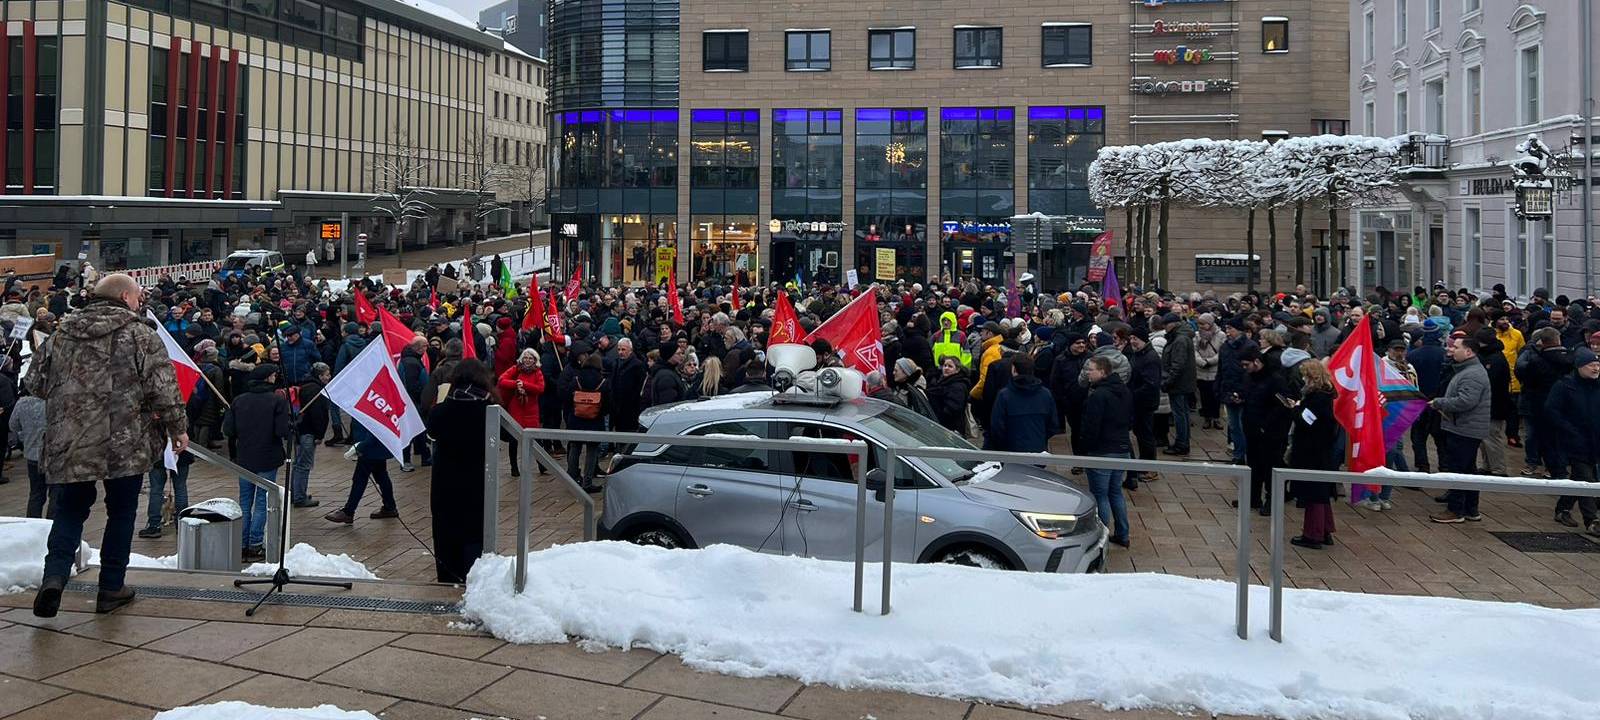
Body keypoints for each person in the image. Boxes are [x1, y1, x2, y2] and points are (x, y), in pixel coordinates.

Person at [30, 273, 189, 617]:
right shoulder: (139, 334)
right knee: (122, 511)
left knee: (68, 511)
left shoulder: (61, 334)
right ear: (124, 297)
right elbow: (163, 387)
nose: (140, 303)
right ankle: (111, 588)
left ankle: (54, 577)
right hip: (124, 442)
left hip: (71, 441)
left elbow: (34, 383)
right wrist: (178, 427)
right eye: (138, 297)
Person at [426, 359, 497, 583]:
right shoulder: (489, 409)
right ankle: (474, 577)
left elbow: (432, 430)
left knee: (445, 530)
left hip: (445, 481)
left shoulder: (442, 409)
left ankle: (447, 578)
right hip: (476, 479)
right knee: (474, 531)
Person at [222, 363, 291, 562]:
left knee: (245, 501)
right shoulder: (277, 401)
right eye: (273, 376)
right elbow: (281, 431)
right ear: (267, 378)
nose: (275, 378)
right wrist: (292, 424)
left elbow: (228, 430)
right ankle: (254, 544)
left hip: (245, 457)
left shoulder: (239, 400)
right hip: (268, 457)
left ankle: (242, 544)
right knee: (262, 502)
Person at [1430, 335, 1492, 524]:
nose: (1450, 350)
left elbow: (1466, 401)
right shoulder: (1467, 370)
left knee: (1458, 470)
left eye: (1455, 347)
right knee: (1468, 470)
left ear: (1468, 352)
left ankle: (1455, 510)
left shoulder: (1472, 373)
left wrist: (1440, 403)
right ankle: (1470, 509)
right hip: (1464, 427)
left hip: (1464, 429)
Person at [1079, 355, 1132, 547]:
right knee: (1115, 492)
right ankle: (1123, 534)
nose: (1088, 373)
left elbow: (1091, 426)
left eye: (1091, 370)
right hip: (1122, 448)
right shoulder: (1124, 390)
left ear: (1102, 372)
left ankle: (1100, 537)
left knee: (1100, 495)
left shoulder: (1098, 395)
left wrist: (1086, 448)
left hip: (1102, 451)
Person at [1547, 348, 1600, 535]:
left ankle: (1563, 508)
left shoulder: (1597, 386)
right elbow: (1552, 410)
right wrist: (1570, 430)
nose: (1596, 368)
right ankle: (1592, 520)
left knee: (1579, 478)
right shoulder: (1565, 386)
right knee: (1586, 480)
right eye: (1591, 365)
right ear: (1579, 367)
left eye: (1597, 364)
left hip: (1594, 442)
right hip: (1574, 442)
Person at [1288, 361, 1340, 549]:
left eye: (1305, 376)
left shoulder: (1317, 398)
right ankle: (1325, 530)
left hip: (1312, 451)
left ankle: (1313, 534)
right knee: (1322, 493)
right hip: (1321, 451)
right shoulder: (1326, 395)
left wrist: (1295, 409)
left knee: (1314, 494)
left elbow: (1307, 421)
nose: (1303, 379)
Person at [1239, 344, 1293, 514]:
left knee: (1271, 466)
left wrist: (1267, 425)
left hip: (1271, 432)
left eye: (1246, 365)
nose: (1245, 368)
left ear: (1256, 361)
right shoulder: (1249, 377)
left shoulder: (1275, 380)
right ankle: (1253, 497)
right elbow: (1248, 396)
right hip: (1252, 428)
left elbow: (1283, 406)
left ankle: (1272, 500)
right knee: (1253, 465)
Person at [324, 421, 400, 525]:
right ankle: (390, 507)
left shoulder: (372, 413)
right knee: (382, 477)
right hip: (375, 449)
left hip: (370, 450)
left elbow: (372, 434)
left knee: (360, 480)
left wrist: (359, 447)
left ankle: (348, 511)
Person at [988, 354, 1057, 453]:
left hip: (1011, 452)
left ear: (1014, 369)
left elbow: (997, 427)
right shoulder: (1045, 394)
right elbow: (1053, 425)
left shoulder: (1004, 395)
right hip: (1038, 449)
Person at [561, 350, 607, 492]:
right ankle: (587, 482)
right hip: (595, 421)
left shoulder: (576, 380)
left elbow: (567, 398)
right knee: (592, 451)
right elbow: (609, 404)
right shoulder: (603, 382)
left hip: (576, 419)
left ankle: (572, 479)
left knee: (575, 448)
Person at [497, 349, 545, 477]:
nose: (527, 360)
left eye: (530, 358)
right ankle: (514, 467)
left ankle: (542, 464)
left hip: (531, 410)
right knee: (514, 439)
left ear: (535, 360)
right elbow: (501, 380)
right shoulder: (516, 369)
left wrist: (524, 385)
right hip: (516, 409)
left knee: (535, 438)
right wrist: (516, 384)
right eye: (525, 358)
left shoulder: (538, 372)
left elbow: (540, 388)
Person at [289, 362, 331, 508]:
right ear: (320, 376)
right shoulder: (315, 390)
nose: (329, 377)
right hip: (308, 432)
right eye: (327, 374)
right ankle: (300, 497)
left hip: (300, 430)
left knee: (298, 464)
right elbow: (317, 414)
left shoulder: (305, 386)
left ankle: (295, 494)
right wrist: (319, 435)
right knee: (303, 465)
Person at [9, 387, 50, 518]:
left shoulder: (22, 403)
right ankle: (53, 525)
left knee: (36, 494)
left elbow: (13, 425)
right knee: (56, 495)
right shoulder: (53, 401)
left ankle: (33, 523)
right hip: (53, 455)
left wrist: (24, 434)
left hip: (32, 454)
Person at [1160, 313, 1195, 455]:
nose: (1164, 327)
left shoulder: (1179, 339)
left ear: (1173, 323)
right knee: (1183, 413)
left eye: (1166, 324)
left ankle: (1181, 444)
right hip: (1183, 383)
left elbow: (1178, 365)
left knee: (1180, 414)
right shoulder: (1181, 336)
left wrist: (1167, 382)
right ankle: (1183, 442)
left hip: (1179, 384)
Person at [607, 337, 647, 433]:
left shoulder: (637, 365)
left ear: (630, 350)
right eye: (619, 349)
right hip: (616, 407)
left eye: (623, 349)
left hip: (630, 408)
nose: (620, 352)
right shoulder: (616, 363)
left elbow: (639, 387)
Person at [926, 356, 972, 436]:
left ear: (957, 370)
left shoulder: (958, 386)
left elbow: (953, 409)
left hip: (951, 429)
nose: (946, 368)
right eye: (945, 365)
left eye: (950, 366)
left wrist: (940, 416)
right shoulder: (943, 381)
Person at [1194, 313, 1224, 430]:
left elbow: (1222, 352)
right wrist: (1201, 361)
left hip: (1214, 370)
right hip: (1201, 370)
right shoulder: (1197, 335)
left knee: (1215, 396)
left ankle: (1216, 417)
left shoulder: (1220, 335)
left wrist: (1210, 361)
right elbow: (1194, 350)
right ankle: (1207, 417)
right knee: (1204, 396)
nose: (1201, 326)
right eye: (1199, 324)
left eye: (1203, 324)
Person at [893, 357, 937, 421]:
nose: (893, 373)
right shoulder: (900, 386)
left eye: (896, 370)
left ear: (905, 372)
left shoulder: (916, 392)